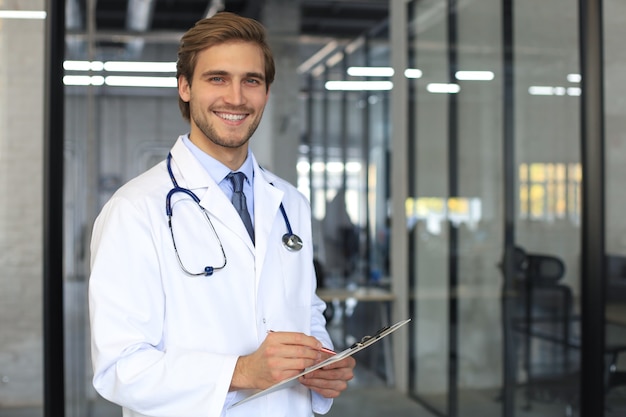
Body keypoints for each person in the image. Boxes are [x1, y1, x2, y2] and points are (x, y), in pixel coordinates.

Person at [88, 11, 355, 417]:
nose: (236, 97)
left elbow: (306, 310)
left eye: (252, 80)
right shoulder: (135, 209)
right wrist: (242, 371)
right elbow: (119, 368)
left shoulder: (290, 204)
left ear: (266, 93)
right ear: (184, 88)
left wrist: (322, 362)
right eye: (217, 79)